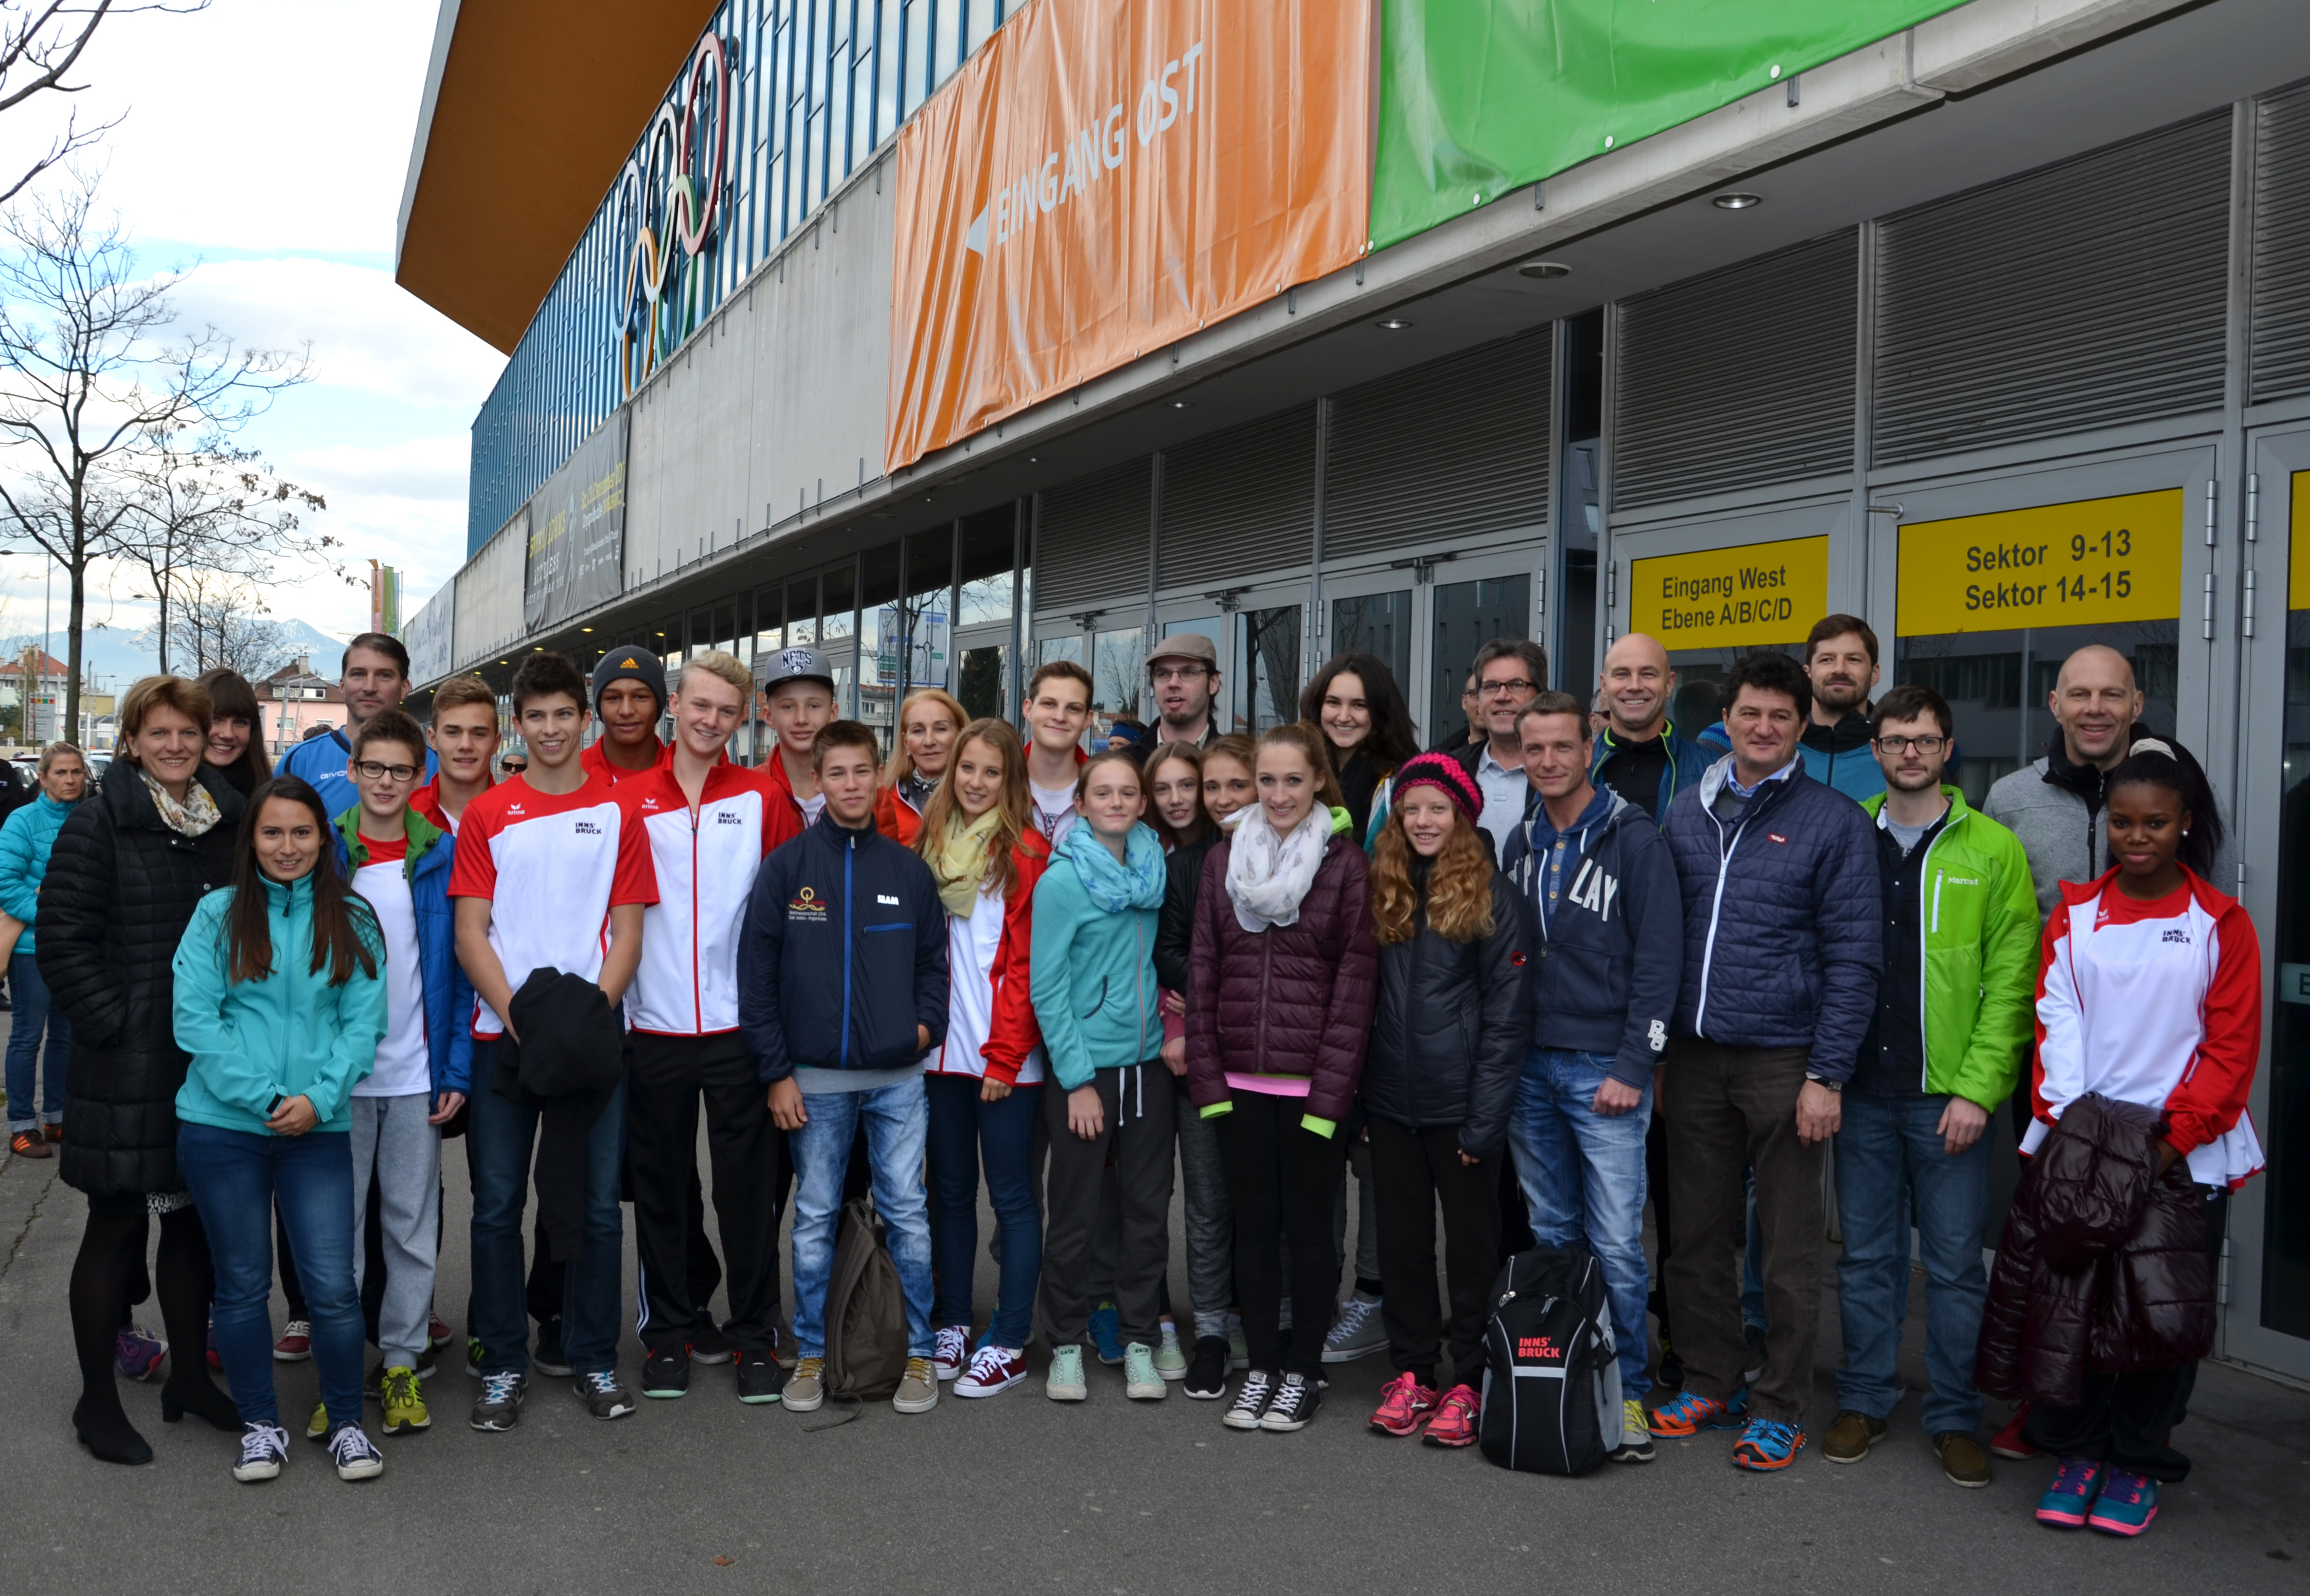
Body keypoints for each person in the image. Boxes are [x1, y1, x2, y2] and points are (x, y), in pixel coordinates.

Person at [1998, 740, 2259, 1536]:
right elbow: (2055, 1023)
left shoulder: (2220, 923)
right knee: (2075, 1308)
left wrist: (2162, 1147)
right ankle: (2076, 1450)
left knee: (2156, 1316)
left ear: (2183, 826)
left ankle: (2134, 1461)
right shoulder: (2075, 915)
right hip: (2083, 1148)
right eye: (2121, 822)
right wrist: (2085, 1139)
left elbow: (2228, 1051)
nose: (2135, 835)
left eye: (2154, 822)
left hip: (2182, 1155)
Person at [1649, 650, 1878, 1471]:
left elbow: (1854, 959)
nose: (1763, 727)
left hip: (1785, 1059)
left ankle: (1779, 1402)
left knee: (1785, 1249)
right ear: (1727, 719)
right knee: (1694, 1237)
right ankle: (1710, 1377)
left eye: (1780, 716)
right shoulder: (1686, 811)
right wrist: (1662, 1053)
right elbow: (1664, 939)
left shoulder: (1833, 821)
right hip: (1696, 1054)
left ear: (1798, 724)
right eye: (1750, 712)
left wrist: (1826, 1074)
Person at [1824, 685, 2036, 1487]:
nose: (1907, 751)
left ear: (1946, 748)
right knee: (1867, 1259)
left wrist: (1977, 1091)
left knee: (1952, 1265)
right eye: (1893, 739)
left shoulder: (1992, 848)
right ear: (1874, 750)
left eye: (1922, 739)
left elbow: (2011, 983)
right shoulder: (1847, 838)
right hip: (1861, 1090)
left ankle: (1953, 1415)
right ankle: (1865, 1398)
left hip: (1945, 1096)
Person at [450, 651, 657, 1431]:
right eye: (534, 716)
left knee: (596, 1207)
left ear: (584, 717)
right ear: (518, 722)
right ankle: (502, 1362)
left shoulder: (619, 809)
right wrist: (523, 1018)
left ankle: (592, 1353)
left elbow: (628, 933)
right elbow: (473, 934)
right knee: (498, 1205)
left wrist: (583, 1020)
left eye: (562, 714)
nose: (549, 729)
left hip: (592, 1041)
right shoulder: (487, 812)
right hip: (502, 1036)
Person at [42, 675, 246, 1464]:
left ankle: (189, 1378)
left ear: (205, 741)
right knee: (118, 1223)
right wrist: (117, 1024)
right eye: (157, 733)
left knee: (191, 1221)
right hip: (126, 1065)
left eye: (186, 734)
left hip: (205, 1064)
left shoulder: (225, 822)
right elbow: (63, 938)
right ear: (131, 740)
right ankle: (96, 1403)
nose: (173, 745)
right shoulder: (98, 822)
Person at [172, 775, 389, 1483]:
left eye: (301, 832)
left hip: (316, 1128)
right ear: (251, 839)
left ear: (323, 839)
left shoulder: (352, 916)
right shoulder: (216, 914)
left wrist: (318, 1096)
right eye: (273, 832)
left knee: (330, 1285)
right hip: (222, 1127)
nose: (287, 845)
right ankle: (261, 1425)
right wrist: (268, 1096)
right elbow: (196, 1020)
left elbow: (365, 1024)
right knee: (239, 1284)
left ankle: (346, 1422)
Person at [740, 720, 948, 1417]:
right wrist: (776, 1071)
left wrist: (923, 1028)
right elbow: (757, 975)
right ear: (818, 782)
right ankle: (808, 1350)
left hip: (897, 1077)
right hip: (814, 1083)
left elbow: (931, 965)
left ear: (876, 778)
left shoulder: (907, 869)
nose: (852, 785)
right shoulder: (787, 868)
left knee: (907, 1213)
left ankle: (918, 1351)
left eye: (863, 772)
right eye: (838, 774)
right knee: (814, 1216)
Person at [1501, 691, 1683, 1463]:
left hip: (1602, 1067)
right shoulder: (1517, 840)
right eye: (1533, 748)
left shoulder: (1631, 837)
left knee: (1614, 1239)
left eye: (1560, 747)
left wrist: (1634, 1064)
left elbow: (1659, 959)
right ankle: (1574, 1372)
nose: (1547, 761)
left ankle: (1631, 1387)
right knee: (1553, 1232)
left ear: (1589, 747)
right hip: (1528, 1065)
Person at [1186, 723, 1377, 1433]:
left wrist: (1330, 1097)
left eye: (1292, 779)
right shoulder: (1222, 862)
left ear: (1318, 781)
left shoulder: (1343, 865)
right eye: (1265, 780)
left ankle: (1303, 1370)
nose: (1277, 794)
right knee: (1252, 1229)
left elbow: (1353, 990)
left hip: (1310, 1092)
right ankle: (1261, 1364)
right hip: (1235, 1085)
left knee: (1309, 1233)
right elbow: (1202, 973)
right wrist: (1207, 1081)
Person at [620, 652, 794, 1406]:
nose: (710, 721)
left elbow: (789, 915)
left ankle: (755, 1334)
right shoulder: (626, 796)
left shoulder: (763, 796)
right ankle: (669, 1333)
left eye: (726, 710)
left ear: (741, 717)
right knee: (662, 1191)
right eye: (699, 705)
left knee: (747, 1194)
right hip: (650, 1027)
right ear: (674, 706)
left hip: (737, 1028)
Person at [1360, 752, 1528, 1447]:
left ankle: (1469, 1377)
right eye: (1411, 808)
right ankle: (1412, 1371)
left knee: (1470, 1251)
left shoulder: (1490, 895)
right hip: (1389, 1106)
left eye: (1437, 808)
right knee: (1398, 1245)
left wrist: (1484, 1119)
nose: (1423, 820)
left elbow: (1507, 1016)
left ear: (1461, 815)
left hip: (1460, 1109)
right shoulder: (1383, 887)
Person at [324, 709, 472, 1441]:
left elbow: (456, 974)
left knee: (410, 1227)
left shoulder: (441, 853)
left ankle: (403, 1360)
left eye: (400, 770)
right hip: (338, 1084)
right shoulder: (323, 851)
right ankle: (341, 1370)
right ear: (352, 770)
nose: (386, 781)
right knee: (339, 1234)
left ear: (421, 777)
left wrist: (456, 1067)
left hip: (416, 1076)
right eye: (372, 767)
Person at [1029, 748, 1174, 1405]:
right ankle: (1064, 1342)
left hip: (1149, 1065)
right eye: (1103, 793)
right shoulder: (1063, 881)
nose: (1116, 803)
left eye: (1128, 793)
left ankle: (1141, 1338)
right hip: (1085, 1070)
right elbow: (1048, 987)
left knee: (1146, 1211)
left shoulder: (1155, 867)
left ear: (1142, 803)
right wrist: (1078, 1078)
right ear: (1082, 804)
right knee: (1077, 1212)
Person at [919, 719, 1051, 1398]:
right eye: (965, 768)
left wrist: (1004, 1056)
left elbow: (1028, 967)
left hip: (1003, 1061)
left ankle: (1008, 1337)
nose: (974, 781)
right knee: (946, 1194)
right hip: (938, 1057)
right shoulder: (927, 841)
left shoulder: (1025, 851)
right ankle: (950, 1321)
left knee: (1011, 1198)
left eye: (990, 772)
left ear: (1011, 780)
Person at [1984, 644, 2236, 922]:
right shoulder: (2009, 800)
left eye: (2111, 695)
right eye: (2080, 694)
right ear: (2056, 705)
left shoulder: (2191, 792)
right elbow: (1994, 921)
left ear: (2137, 705)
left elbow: (2221, 918)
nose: (2095, 708)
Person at [1156, 734, 1257, 1398]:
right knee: (1206, 1200)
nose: (1221, 799)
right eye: (1210, 787)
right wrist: (1201, 994)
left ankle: (1263, 1317)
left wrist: (1209, 991)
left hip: (1274, 1059)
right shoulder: (1190, 863)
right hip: (1205, 1056)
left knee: (1262, 1199)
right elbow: (1167, 948)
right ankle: (1213, 1330)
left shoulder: (1307, 859)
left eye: (1233, 786)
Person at [0, 743, 85, 1158]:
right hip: (32, 948)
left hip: (77, 948)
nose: (70, 780)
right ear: (44, 778)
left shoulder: (92, 817)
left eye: (77, 772)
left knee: (66, 1036)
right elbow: (6, 884)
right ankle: (21, 1124)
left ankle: (57, 1118)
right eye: (61, 773)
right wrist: (56, 913)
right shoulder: (22, 820)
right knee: (28, 1035)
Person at [276, 634, 436, 817]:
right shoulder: (299, 762)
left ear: (404, 688)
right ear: (342, 686)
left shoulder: (435, 766)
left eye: (384, 675)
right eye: (358, 674)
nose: (369, 687)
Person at [1299, 652, 1419, 847]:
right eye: (1333, 703)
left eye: (1359, 705)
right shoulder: (1297, 768)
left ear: (1381, 711)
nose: (1344, 716)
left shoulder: (1407, 781)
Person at [1588, 634, 1708, 822]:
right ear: (1604, 685)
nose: (1635, 686)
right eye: (1622, 674)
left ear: (1669, 684)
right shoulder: (1574, 769)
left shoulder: (1712, 772)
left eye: (1648, 674)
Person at [1449, 638, 1549, 859]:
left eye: (1516, 685)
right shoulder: (1450, 772)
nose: (1502, 696)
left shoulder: (1563, 770)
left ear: (1540, 694)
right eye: (1491, 686)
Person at [1797, 616, 1885, 803]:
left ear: (1874, 674)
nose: (1839, 669)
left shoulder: (1898, 752)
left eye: (1853, 660)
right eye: (1827, 659)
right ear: (1808, 673)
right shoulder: (1780, 745)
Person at [754, 645, 838, 840]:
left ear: (833, 713)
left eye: (814, 705)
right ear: (768, 716)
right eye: (788, 706)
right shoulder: (748, 793)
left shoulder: (866, 790)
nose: (801, 719)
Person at [876, 687, 964, 845]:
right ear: (906, 743)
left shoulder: (975, 797)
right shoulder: (883, 802)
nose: (929, 741)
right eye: (918, 731)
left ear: (961, 735)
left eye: (941, 729)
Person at [414, 674, 499, 832]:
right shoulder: (404, 815)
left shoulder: (520, 818)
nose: (465, 745)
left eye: (479, 734)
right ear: (433, 739)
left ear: (496, 742)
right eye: (453, 733)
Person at [1023, 660, 1094, 846]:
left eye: (1073, 709)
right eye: (1049, 704)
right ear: (1028, 710)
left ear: (1088, 719)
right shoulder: (998, 782)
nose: (1060, 717)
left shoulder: (1106, 789)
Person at [583, 644, 667, 782]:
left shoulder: (688, 774)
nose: (626, 711)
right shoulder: (570, 775)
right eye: (613, 698)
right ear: (599, 706)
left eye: (640, 697)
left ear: (659, 703)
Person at [196, 670, 274, 798]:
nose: (227, 734)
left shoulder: (267, 798)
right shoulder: (161, 792)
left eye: (240, 722)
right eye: (215, 719)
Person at [1146, 633, 1222, 747]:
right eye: (1163, 674)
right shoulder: (1126, 762)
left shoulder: (1238, 762)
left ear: (1213, 683)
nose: (1173, 683)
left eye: (1188, 672)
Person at [1428, 673, 1482, 754]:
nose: (1482, 704)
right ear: (1464, 702)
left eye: (1490, 694)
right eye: (1475, 694)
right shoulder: (1442, 756)